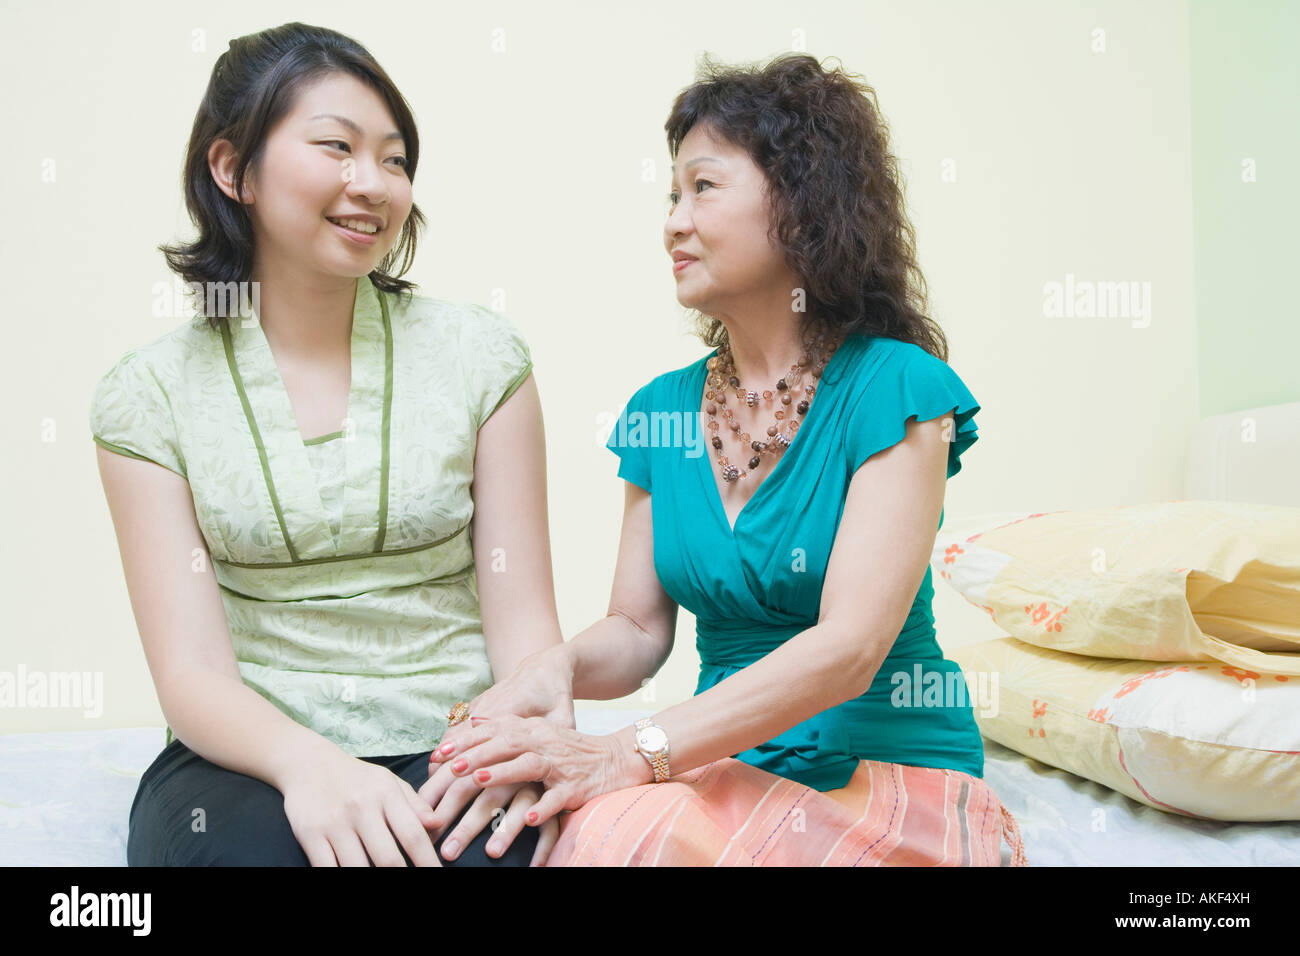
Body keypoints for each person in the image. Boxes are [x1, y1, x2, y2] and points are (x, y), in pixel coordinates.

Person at [424, 53, 1028, 866]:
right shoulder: (658, 413)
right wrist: (555, 668)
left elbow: (849, 649)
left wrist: (628, 752)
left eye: (702, 188)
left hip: (887, 766)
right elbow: (638, 631)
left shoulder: (900, 390)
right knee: (595, 840)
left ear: (803, 202)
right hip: (720, 761)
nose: (673, 221)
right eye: (671, 195)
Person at [90, 22, 566, 866]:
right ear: (232, 168)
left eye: (392, 157)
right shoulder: (148, 396)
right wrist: (311, 767)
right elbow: (192, 674)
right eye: (336, 148)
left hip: (457, 743)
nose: (373, 184)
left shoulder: (482, 357)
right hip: (246, 758)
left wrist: (513, 747)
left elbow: (524, 627)